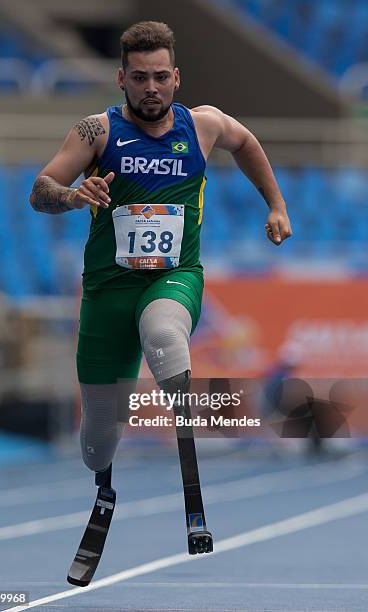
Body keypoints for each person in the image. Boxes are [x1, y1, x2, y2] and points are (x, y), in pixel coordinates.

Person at [30, 21, 292, 484]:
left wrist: (276, 204)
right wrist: (73, 196)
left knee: (165, 334)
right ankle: (102, 468)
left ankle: (185, 430)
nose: (151, 88)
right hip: (108, 289)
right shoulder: (97, 131)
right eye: (139, 78)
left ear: (176, 77)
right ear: (121, 79)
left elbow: (246, 142)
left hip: (174, 276)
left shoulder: (203, 125)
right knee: (98, 440)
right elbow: (40, 189)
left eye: (160, 77)